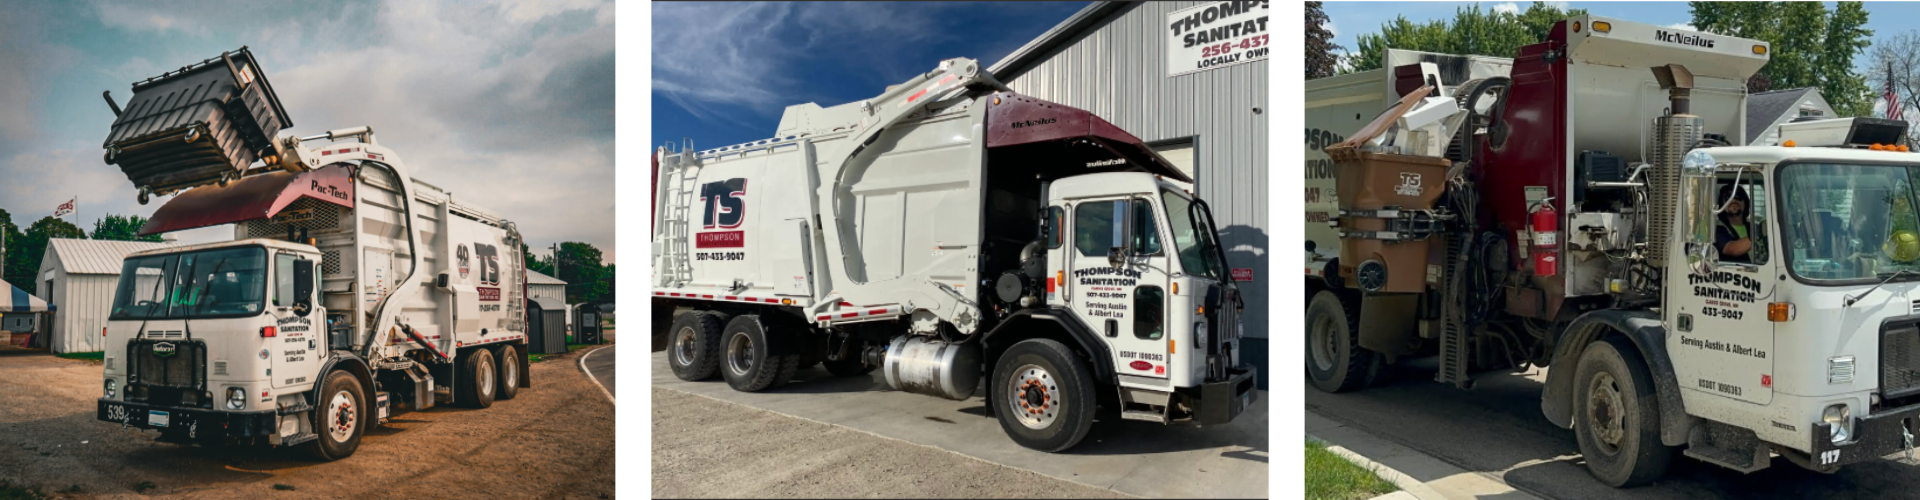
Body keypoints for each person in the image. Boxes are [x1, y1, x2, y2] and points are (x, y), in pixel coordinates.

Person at [1715, 183, 1755, 263]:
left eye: (1738, 196)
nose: (1733, 200)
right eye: (1727, 197)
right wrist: (1759, 234)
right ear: (1722, 204)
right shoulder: (1717, 228)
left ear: (1745, 202)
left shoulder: (1753, 227)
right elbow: (1732, 249)